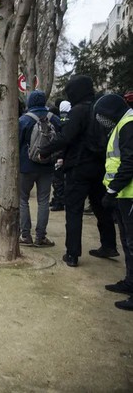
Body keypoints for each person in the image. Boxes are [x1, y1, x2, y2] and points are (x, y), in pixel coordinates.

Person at [40, 75, 117, 267]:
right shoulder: (101, 109)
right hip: (100, 166)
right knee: (101, 208)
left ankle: (72, 254)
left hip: (78, 167)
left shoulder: (78, 111)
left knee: (74, 211)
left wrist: (45, 150)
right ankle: (109, 245)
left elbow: (66, 137)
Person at [94, 94, 133, 310]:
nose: (101, 121)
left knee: (132, 243)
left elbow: (128, 162)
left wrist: (112, 190)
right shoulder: (122, 124)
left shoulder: (128, 124)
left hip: (129, 193)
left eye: (102, 116)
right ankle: (130, 282)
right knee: (127, 242)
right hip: (123, 194)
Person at [18, 90, 61, 247]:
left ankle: (25, 235)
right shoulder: (54, 119)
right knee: (43, 201)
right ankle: (41, 237)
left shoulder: (23, 120)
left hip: (26, 166)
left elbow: (16, 142)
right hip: (47, 166)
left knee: (23, 199)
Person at [50, 100, 71, 211]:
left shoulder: (62, 119)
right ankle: (58, 199)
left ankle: (59, 201)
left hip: (60, 153)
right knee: (58, 179)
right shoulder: (65, 119)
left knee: (58, 179)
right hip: (62, 153)